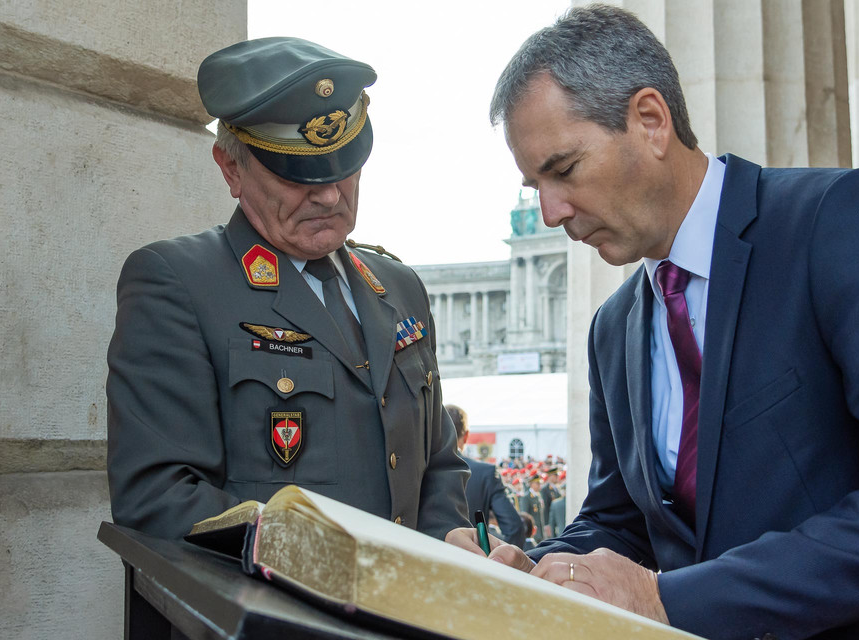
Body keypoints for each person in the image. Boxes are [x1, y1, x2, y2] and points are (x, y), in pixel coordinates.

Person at [446, 5, 859, 639]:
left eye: (563, 170)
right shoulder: (612, 329)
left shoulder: (838, 221)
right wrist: (529, 569)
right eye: (533, 186)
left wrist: (675, 601)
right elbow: (622, 524)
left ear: (651, 121)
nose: (549, 213)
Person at [106, 37, 469, 541]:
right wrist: (339, 565)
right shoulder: (180, 283)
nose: (330, 195)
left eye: (344, 168)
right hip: (276, 592)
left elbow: (439, 465)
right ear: (232, 168)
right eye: (300, 175)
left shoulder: (399, 286)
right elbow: (159, 497)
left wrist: (450, 542)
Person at [446, 404, 525, 547]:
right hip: (471, 557)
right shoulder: (485, 473)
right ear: (466, 435)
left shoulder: (419, 469)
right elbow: (514, 527)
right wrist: (497, 558)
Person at [517, 474, 548, 543]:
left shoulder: (538, 496)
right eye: (537, 483)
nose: (539, 485)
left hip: (540, 532)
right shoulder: (526, 497)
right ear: (531, 484)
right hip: (532, 534)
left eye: (540, 483)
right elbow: (525, 516)